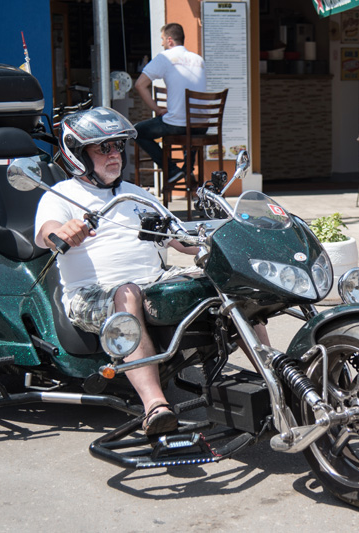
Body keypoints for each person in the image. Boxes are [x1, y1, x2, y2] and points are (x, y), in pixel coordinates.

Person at [34, 107, 199, 435]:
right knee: (127, 292)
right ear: (78, 154)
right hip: (91, 294)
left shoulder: (138, 195)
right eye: (103, 148)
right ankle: (155, 405)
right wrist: (62, 232)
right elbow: (45, 233)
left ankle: (275, 372)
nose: (115, 155)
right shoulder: (62, 195)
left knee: (225, 281)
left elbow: (184, 241)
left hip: (152, 282)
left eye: (118, 147)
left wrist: (217, 238)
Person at [134, 23, 207, 185]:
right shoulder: (199, 60)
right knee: (187, 130)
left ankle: (172, 170)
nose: (161, 44)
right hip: (201, 126)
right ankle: (188, 171)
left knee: (136, 131)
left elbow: (139, 85)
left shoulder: (165, 57)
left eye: (162, 40)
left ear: (170, 40)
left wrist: (157, 109)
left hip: (179, 125)